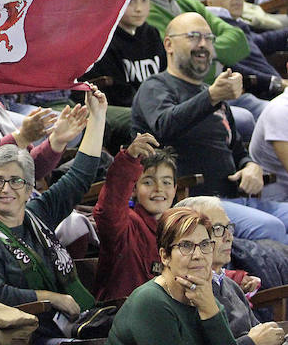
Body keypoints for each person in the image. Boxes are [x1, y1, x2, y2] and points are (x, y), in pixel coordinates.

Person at [0, 86, 106, 339]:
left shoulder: (37, 213)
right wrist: (50, 298)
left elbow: (80, 177)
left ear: (29, 190)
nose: (7, 189)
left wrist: (98, 117)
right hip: (27, 335)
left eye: (16, 181)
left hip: (77, 323)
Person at [131, 12, 288, 244]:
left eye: (208, 38)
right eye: (194, 36)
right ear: (169, 44)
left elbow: (237, 150)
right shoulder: (156, 87)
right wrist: (211, 96)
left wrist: (250, 166)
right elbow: (162, 126)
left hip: (235, 199)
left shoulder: (212, 94)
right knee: (270, 227)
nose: (203, 44)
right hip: (191, 204)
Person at [106, 208, 236, 344]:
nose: (198, 255)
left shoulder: (205, 297)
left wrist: (210, 309)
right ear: (165, 256)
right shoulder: (150, 301)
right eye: (186, 245)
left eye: (204, 244)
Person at [176, 197, 285, 345]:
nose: (229, 237)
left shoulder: (228, 283)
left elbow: (259, 331)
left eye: (229, 228)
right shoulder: (186, 292)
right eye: (218, 229)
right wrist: (253, 342)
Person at [93, 136, 174, 301]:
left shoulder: (179, 228)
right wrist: (128, 160)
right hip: (123, 318)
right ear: (134, 189)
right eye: (148, 182)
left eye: (166, 182)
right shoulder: (125, 225)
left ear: (175, 188)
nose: (159, 189)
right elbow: (109, 209)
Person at [200, 0, 287, 101]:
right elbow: (231, 67)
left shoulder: (233, 23)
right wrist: (276, 83)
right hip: (259, 98)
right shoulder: (208, 28)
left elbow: (259, 42)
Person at [81, 0, 165, 108]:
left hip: (156, 105)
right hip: (122, 107)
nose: (139, 8)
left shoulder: (152, 34)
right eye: (131, 1)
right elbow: (117, 92)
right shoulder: (105, 40)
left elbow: (165, 75)